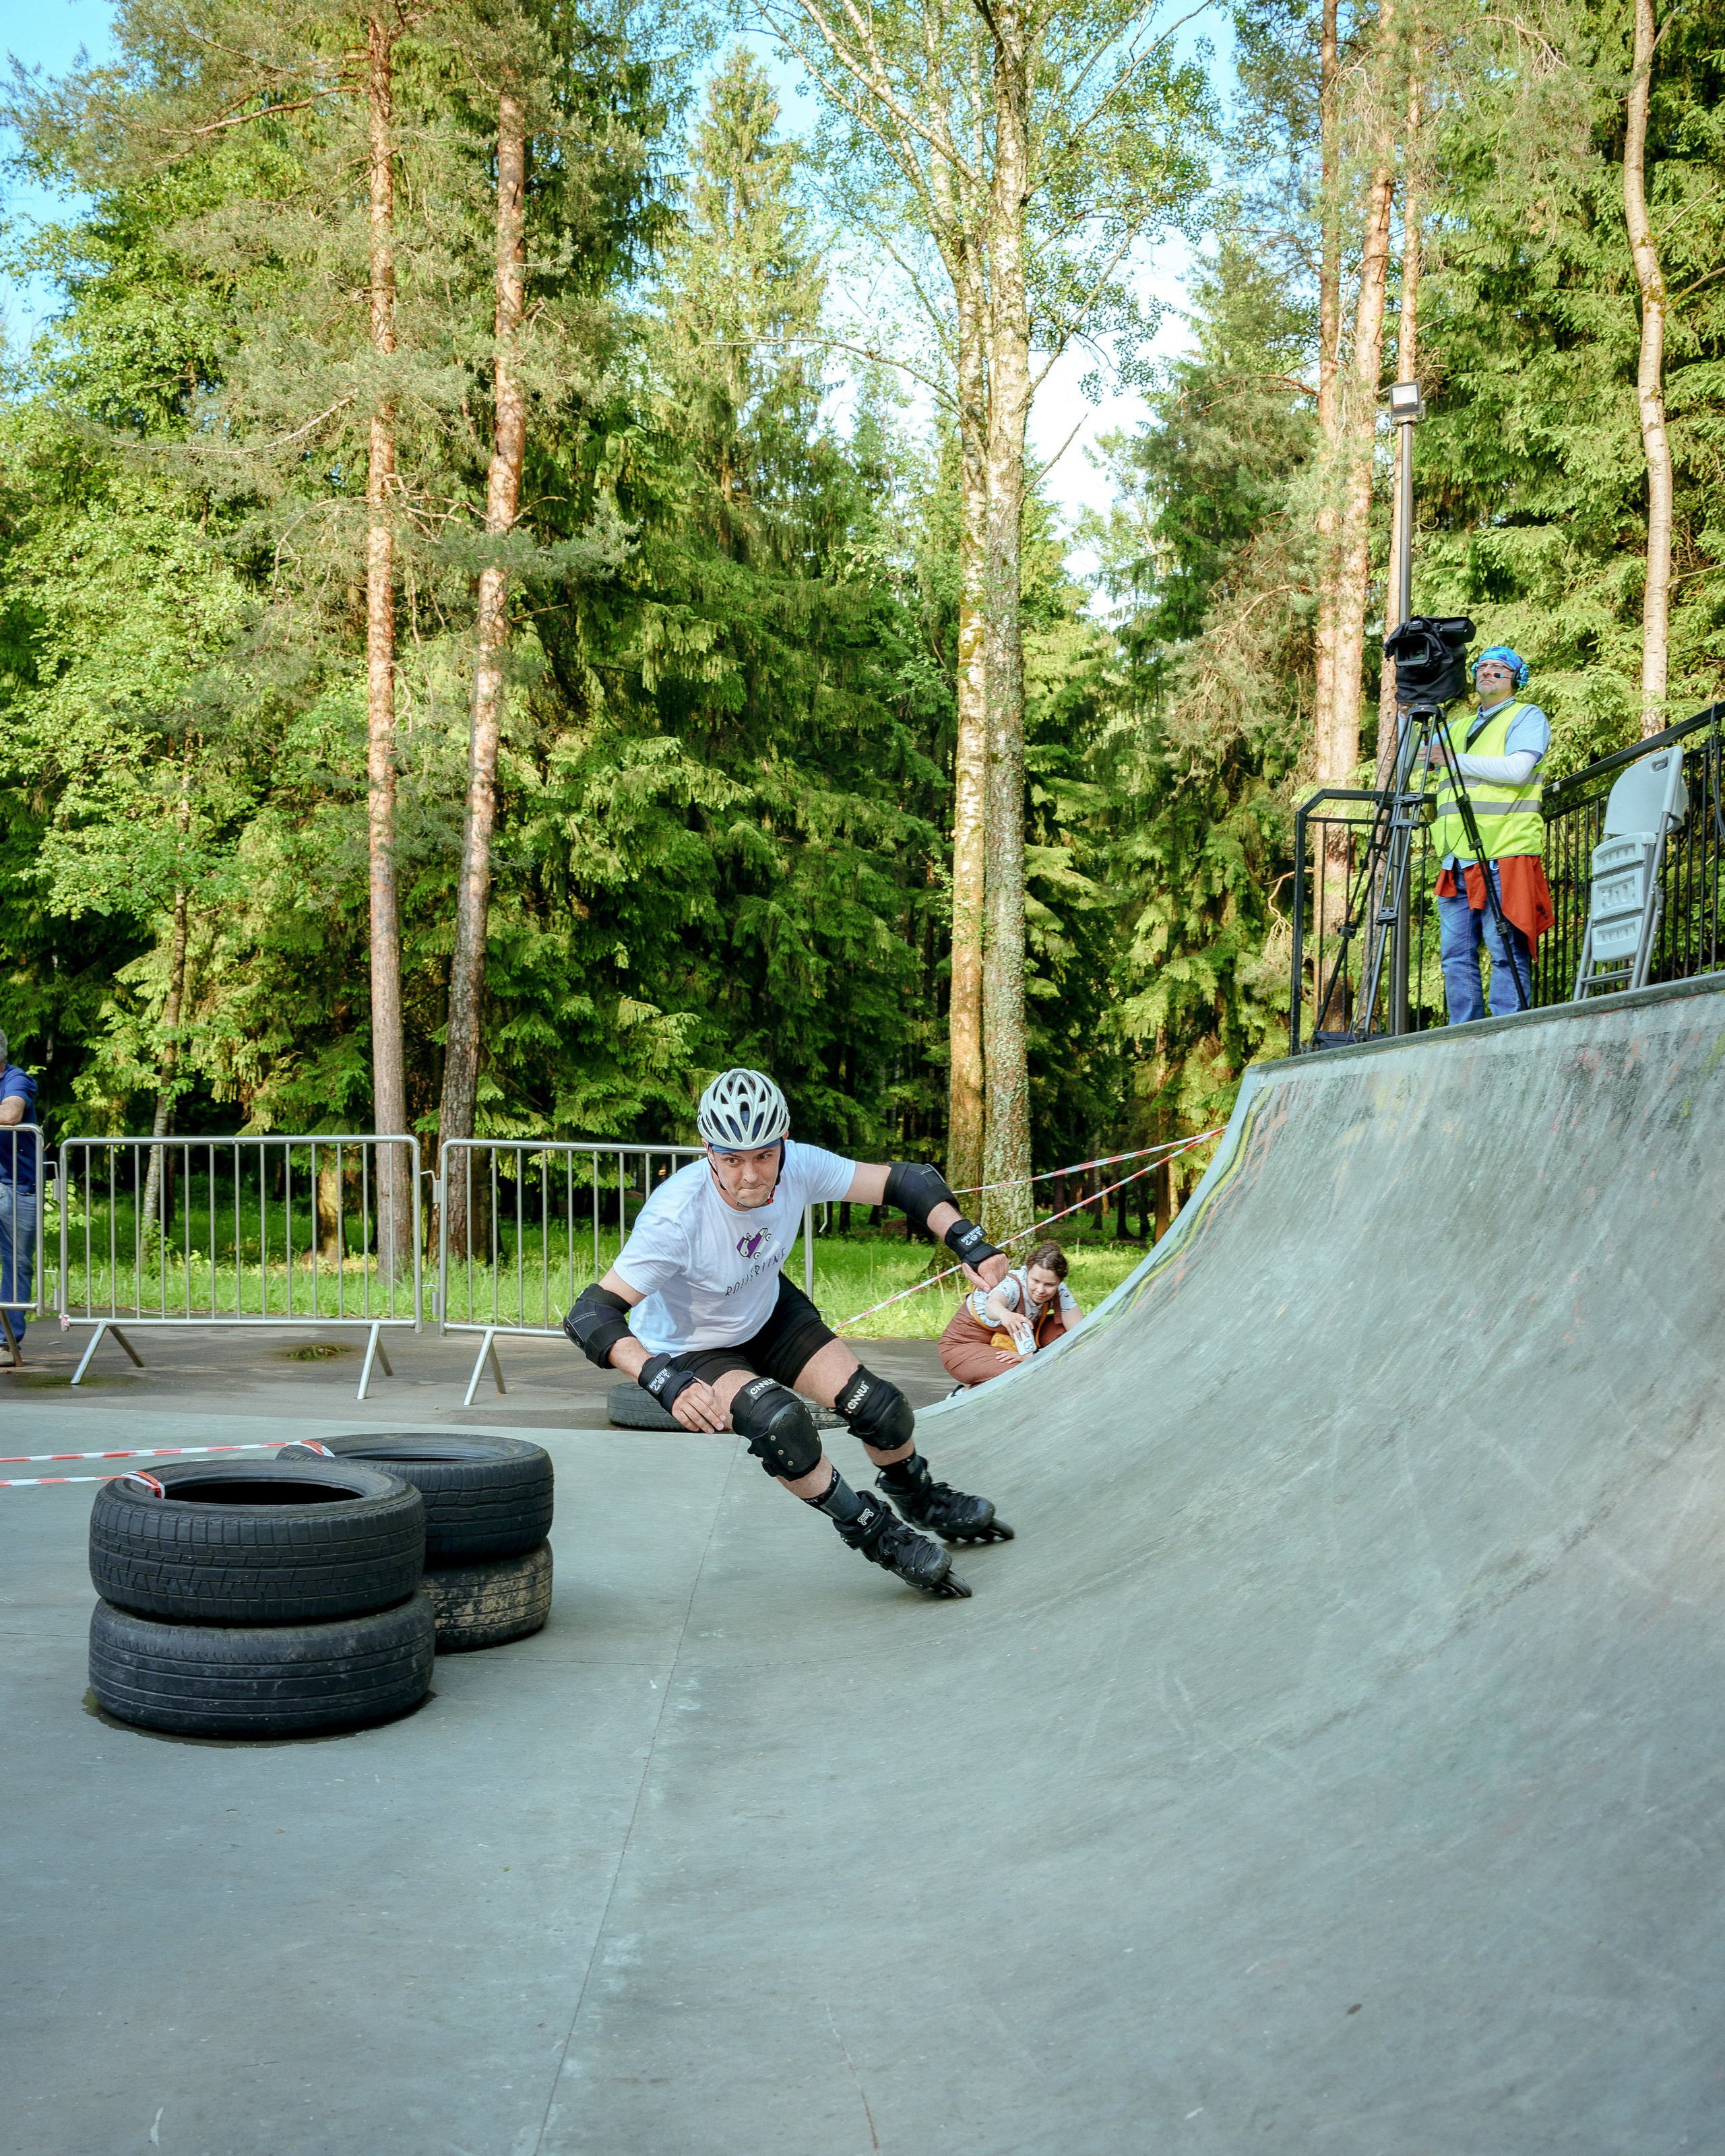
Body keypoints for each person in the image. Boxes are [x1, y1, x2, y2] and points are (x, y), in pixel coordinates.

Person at [563, 1068, 1016, 1599]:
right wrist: (660, 1379)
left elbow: (908, 1182)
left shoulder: (800, 1164)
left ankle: (919, 1497)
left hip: (769, 1311)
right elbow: (591, 1315)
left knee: (882, 1409)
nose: (750, 1176)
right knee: (779, 1423)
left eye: (763, 1156)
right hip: (695, 1346)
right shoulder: (675, 1217)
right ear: (708, 1150)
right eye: (732, 1159)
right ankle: (874, 1532)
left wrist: (968, 1241)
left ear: (782, 1144)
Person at [1427, 645, 1555, 1023]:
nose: (1488, 672)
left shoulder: (1527, 716)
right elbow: (1414, 758)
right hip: (1456, 856)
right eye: (1482, 667)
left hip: (1505, 850)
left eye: (1499, 668)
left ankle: (1507, 1029)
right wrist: (1410, 710)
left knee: (1505, 949)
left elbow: (1518, 769)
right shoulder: (1459, 727)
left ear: (1516, 677)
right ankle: (1462, 1030)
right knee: (1455, 956)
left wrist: (1452, 760)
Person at [939, 1240, 1082, 1391]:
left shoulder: (1059, 1290)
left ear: (1059, 1282)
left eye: (1050, 1285)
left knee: (1065, 1334)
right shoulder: (1011, 1284)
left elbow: (1081, 1331)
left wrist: (1035, 1355)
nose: (1041, 1289)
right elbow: (992, 1305)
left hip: (1012, 1342)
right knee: (1024, 1374)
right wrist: (1005, 1314)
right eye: (1035, 1281)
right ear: (1027, 1272)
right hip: (963, 1344)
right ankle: (961, 1396)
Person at [0, 1030, 40, 1360]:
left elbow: (11, 1114)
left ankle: (5, 1342)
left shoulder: (17, 1079)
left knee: (16, 1265)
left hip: (16, 1186)